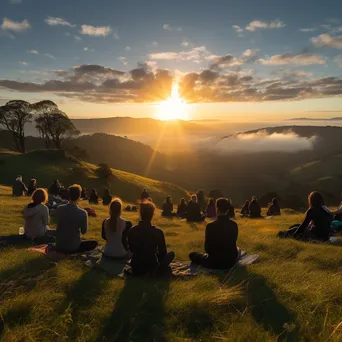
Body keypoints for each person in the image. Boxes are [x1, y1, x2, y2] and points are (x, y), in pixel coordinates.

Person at [128, 200, 175, 276]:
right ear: (152, 214)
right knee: (171, 254)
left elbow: (131, 249)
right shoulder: (158, 232)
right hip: (152, 266)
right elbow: (163, 254)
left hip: (136, 267)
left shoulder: (132, 230)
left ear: (141, 213)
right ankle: (158, 271)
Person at [189, 198, 239, 269]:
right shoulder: (234, 225)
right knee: (238, 249)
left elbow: (207, 249)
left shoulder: (210, 226)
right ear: (228, 210)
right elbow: (233, 241)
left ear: (217, 209)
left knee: (192, 255)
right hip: (230, 261)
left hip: (213, 262)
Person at [54, 184, 98, 253]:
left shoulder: (60, 208)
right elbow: (84, 231)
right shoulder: (83, 213)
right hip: (73, 247)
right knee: (94, 243)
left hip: (59, 245)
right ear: (79, 196)